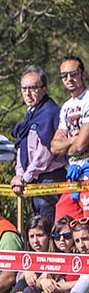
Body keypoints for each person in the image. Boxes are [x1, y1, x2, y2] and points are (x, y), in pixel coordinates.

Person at [10, 66, 65, 221]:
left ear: (44, 89)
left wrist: (24, 178)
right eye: (24, 88)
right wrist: (19, 175)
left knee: (47, 227)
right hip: (33, 178)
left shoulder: (50, 112)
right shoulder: (30, 114)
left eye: (33, 88)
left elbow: (44, 153)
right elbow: (22, 146)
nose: (27, 93)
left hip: (50, 178)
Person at [50, 55, 89, 223]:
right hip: (73, 173)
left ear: (83, 74)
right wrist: (75, 138)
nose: (69, 79)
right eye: (64, 76)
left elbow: (80, 146)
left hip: (87, 170)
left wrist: (70, 144)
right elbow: (54, 148)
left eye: (73, 73)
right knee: (63, 221)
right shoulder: (66, 107)